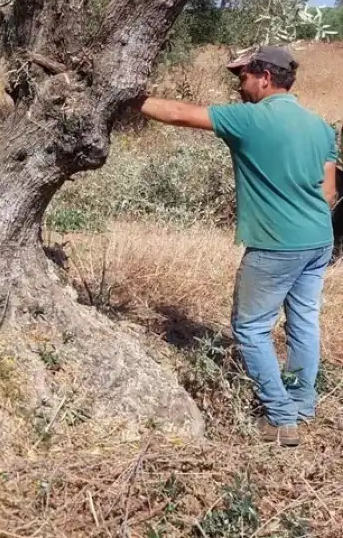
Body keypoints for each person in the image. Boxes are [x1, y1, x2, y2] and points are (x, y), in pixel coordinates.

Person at [134, 45, 339, 447]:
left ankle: (280, 419)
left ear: (265, 78)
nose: (239, 87)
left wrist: (127, 98)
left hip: (276, 244)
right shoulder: (320, 127)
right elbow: (328, 191)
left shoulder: (250, 119)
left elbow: (177, 114)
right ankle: (300, 400)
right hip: (318, 240)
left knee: (250, 327)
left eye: (243, 78)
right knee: (303, 323)